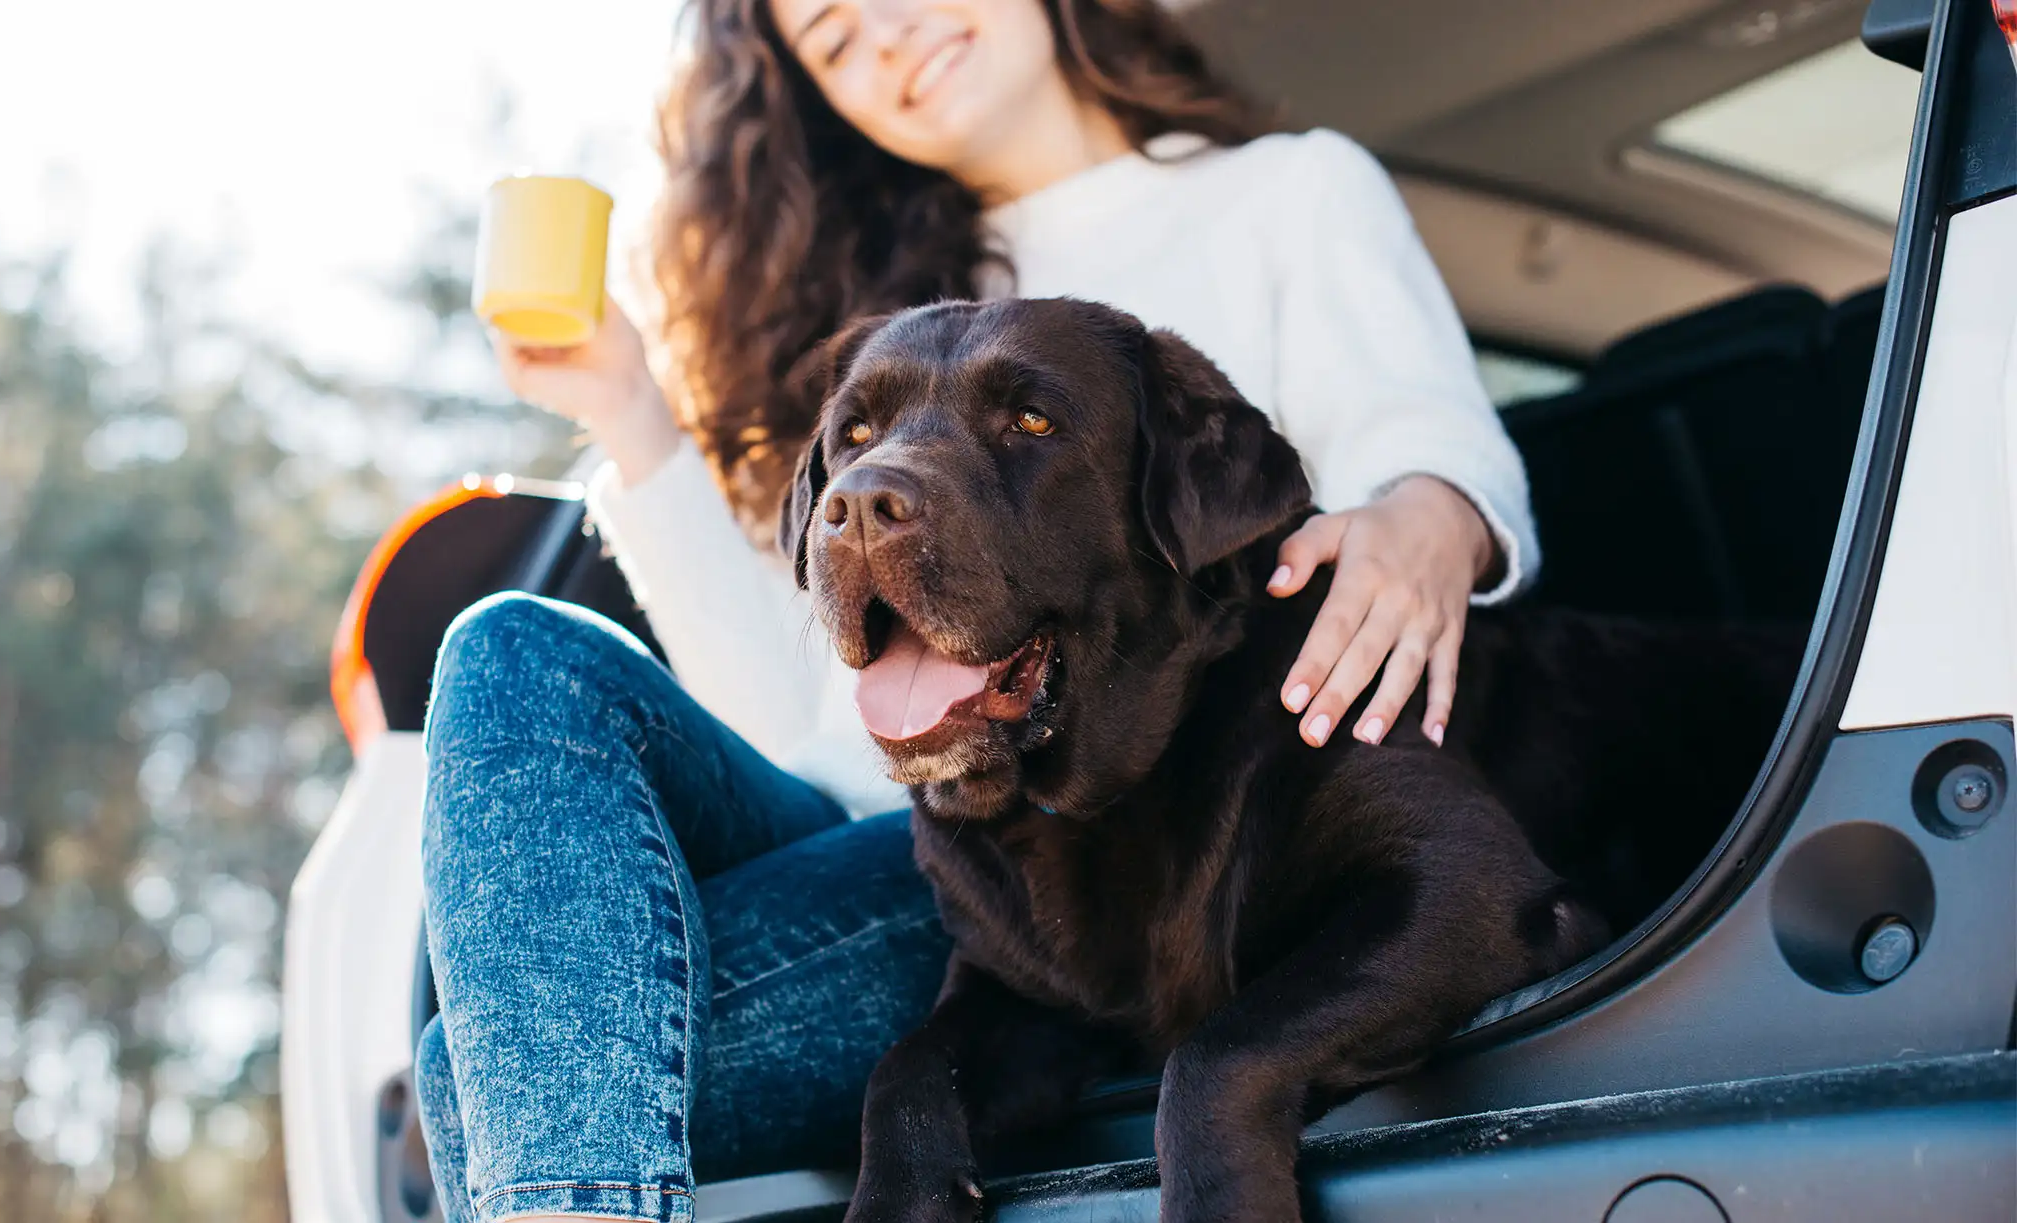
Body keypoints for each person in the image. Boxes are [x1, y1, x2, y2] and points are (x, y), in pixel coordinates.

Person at [415, 1, 1539, 1220]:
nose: (889, 33)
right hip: (883, 819)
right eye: (835, 39)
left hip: (1094, 837)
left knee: (470, 1074)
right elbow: (797, 717)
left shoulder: (1285, 191)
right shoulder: (874, 322)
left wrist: (1435, 513)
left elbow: (1415, 449)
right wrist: (626, 405)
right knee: (509, 648)